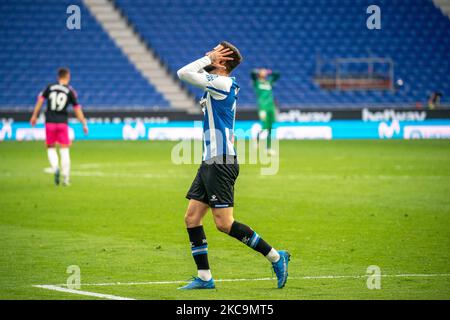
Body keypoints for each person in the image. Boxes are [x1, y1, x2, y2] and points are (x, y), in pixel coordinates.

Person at [176, 41, 290, 290]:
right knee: (192, 218)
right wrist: (209, 62)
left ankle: (276, 256)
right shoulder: (219, 83)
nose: (209, 52)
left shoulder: (223, 83)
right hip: (210, 161)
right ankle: (205, 278)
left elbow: (183, 73)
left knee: (224, 223)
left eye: (216, 52)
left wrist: (205, 60)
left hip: (221, 162)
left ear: (223, 62)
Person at [30, 67, 88, 186]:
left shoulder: (49, 87)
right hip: (62, 123)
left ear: (58, 77)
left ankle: (55, 167)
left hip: (50, 122)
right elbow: (77, 109)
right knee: (64, 149)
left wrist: (34, 115)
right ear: (68, 77)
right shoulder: (70, 91)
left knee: (50, 147)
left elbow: (40, 101)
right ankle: (66, 179)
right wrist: (84, 123)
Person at [251, 68, 280, 155]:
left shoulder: (268, 82)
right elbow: (252, 73)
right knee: (264, 127)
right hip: (263, 108)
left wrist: (268, 71)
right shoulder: (256, 83)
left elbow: (277, 74)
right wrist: (259, 71)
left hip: (271, 107)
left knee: (270, 129)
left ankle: (268, 148)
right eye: (262, 72)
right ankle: (257, 139)